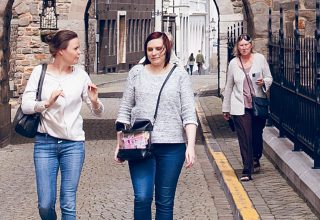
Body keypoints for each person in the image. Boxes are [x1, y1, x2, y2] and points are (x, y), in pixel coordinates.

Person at [21, 30, 105, 219]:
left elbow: (98, 113)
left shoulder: (81, 76)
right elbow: (26, 106)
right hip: (45, 143)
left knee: (68, 203)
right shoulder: (40, 72)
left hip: (73, 145)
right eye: (75, 49)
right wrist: (46, 104)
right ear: (60, 50)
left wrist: (94, 101)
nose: (78, 53)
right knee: (45, 204)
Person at [115, 31, 197, 220]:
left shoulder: (179, 74)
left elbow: (188, 114)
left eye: (158, 48)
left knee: (165, 201)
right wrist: (119, 144)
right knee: (142, 197)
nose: (154, 53)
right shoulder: (136, 73)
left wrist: (190, 146)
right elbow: (124, 110)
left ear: (166, 49)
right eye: (150, 49)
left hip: (172, 147)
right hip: (138, 143)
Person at [222, 34, 272, 181]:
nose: (244, 48)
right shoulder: (233, 63)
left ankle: (256, 156)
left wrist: (264, 82)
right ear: (237, 47)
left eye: (246, 45)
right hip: (240, 106)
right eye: (241, 45)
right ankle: (246, 169)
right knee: (245, 137)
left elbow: (270, 77)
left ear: (251, 45)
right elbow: (229, 86)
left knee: (256, 135)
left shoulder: (260, 59)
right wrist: (226, 108)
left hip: (257, 103)